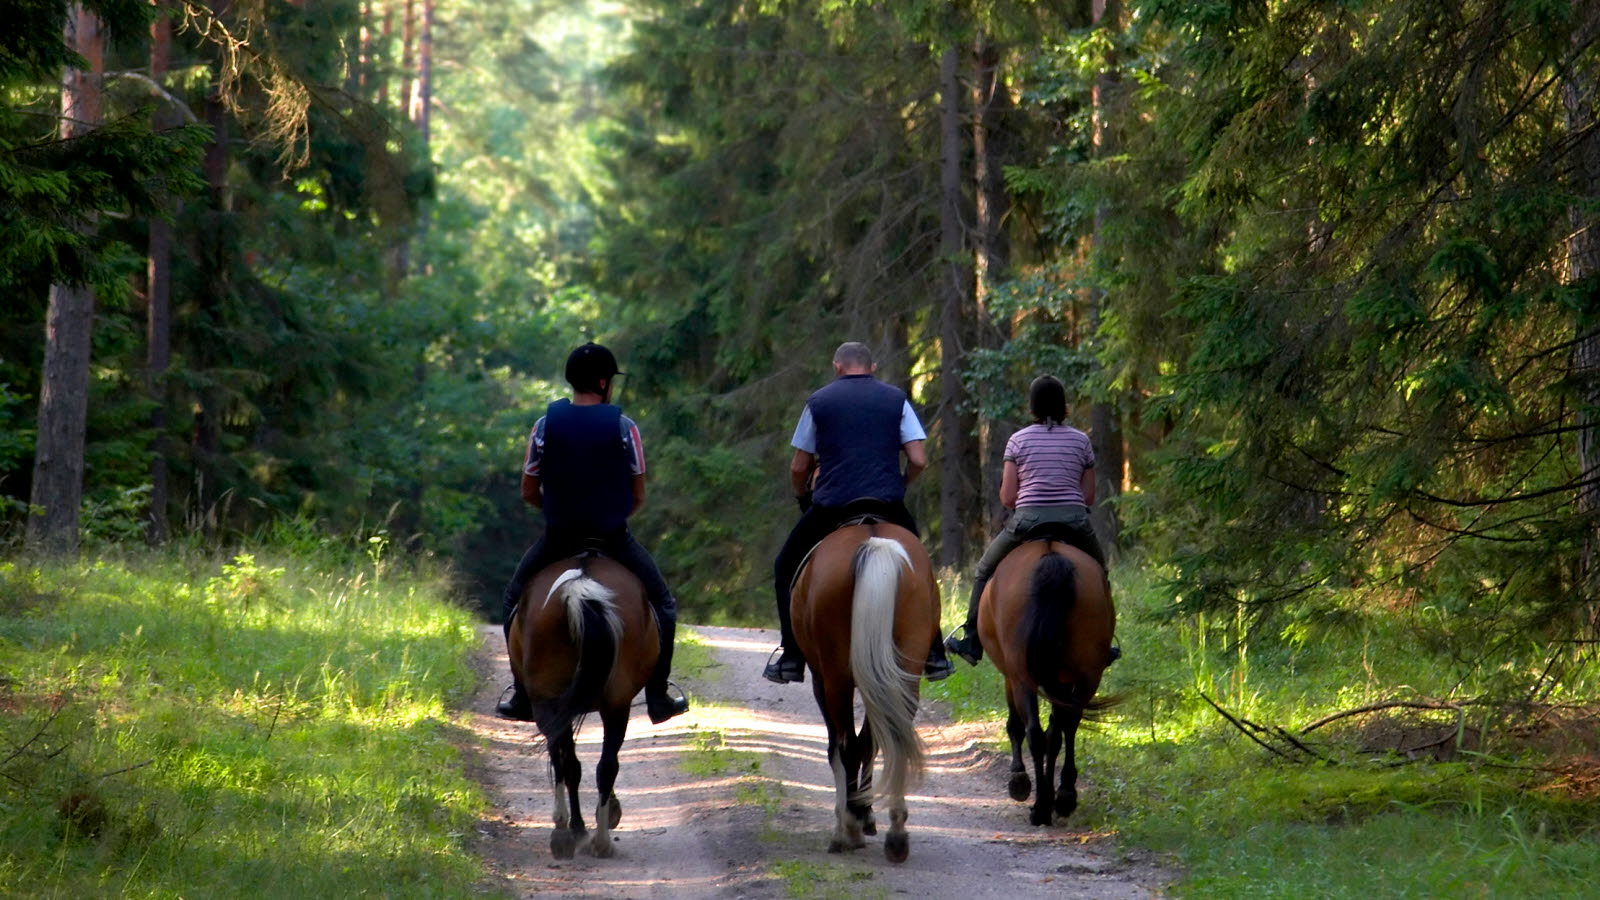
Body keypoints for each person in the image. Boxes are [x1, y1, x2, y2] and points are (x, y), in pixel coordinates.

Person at [496, 342, 689, 724]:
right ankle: (658, 694)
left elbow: (528, 490)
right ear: (603, 382)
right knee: (663, 604)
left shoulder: (544, 425)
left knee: (511, 601)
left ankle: (521, 693)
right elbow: (638, 492)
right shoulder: (624, 426)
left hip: (559, 537)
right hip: (612, 537)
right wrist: (615, 515)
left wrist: (555, 512)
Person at [763, 341, 955, 684]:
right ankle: (935, 653)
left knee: (784, 566)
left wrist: (803, 496)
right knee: (921, 568)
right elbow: (919, 460)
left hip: (833, 505)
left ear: (837, 366)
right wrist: (899, 483)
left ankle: (791, 656)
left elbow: (798, 466)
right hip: (886, 503)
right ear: (873, 366)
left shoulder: (818, 402)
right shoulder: (896, 399)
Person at [945, 375, 1107, 666]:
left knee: (984, 569)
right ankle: (1104, 642)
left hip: (1028, 521)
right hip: (1073, 520)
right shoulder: (1081, 441)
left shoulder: (1018, 440)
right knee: (1100, 569)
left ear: (1031, 406)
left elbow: (1008, 497)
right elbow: (1089, 496)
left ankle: (971, 641)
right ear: (1063, 406)